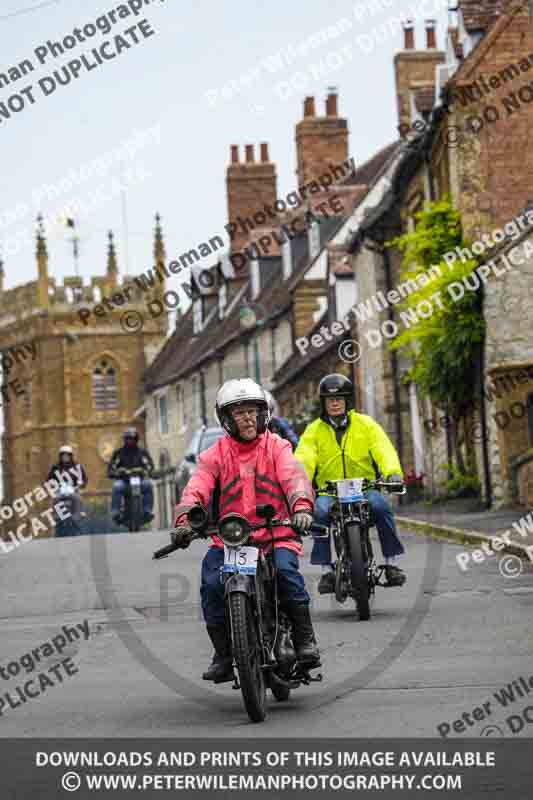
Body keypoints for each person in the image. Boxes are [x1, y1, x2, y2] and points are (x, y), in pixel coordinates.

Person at [171, 378, 320, 683]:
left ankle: (305, 639)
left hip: (276, 533)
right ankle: (223, 654)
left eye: (252, 410)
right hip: (231, 540)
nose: (248, 417)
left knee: (287, 573)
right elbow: (196, 487)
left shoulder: (277, 446)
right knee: (212, 583)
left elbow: (294, 478)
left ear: (263, 413)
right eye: (239, 412)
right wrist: (185, 521)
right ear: (226, 419)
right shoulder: (214, 455)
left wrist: (301, 508)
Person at [294, 373, 406, 594]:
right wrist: (299, 482)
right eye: (329, 400)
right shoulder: (313, 430)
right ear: (323, 403)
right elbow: (304, 457)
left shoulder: (366, 424)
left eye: (339, 399)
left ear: (348, 401)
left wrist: (392, 472)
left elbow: (383, 448)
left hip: (364, 488)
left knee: (381, 507)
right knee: (320, 513)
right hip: (330, 490)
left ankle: (391, 563)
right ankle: (326, 569)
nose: (334, 403)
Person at [108, 428, 155, 524]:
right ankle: (115, 512)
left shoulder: (142, 452)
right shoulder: (118, 453)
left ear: (136, 439)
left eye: (133, 439)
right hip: (124, 482)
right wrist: (117, 472)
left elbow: (150, 465)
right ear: (124, 440)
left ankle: (147, 511)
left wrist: (147, 470)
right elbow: (111, 468)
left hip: (140, 481)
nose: (130, 441)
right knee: (116, 486)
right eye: (128, 439)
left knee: (148, 485)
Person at [47, 445, 88, 520]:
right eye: (63, 456)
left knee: (77, 498)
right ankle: (57, 514)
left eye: (67, 456)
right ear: (60, 456)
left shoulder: (77, 467)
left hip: (73, 489)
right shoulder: (55, 467)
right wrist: (54, 485)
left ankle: (79, 513)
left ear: (70, 456)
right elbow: (49, 480)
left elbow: (84, 479)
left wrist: (80, 485)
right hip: (60, 490)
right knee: (56, 498)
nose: (65, 457)